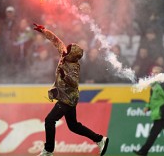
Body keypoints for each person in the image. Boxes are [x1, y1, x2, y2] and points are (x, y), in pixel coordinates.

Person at [33, 23, 109, 156]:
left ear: (73, 55)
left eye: (69, 49)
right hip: (66, 97)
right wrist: (44, 31)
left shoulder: (74, 66)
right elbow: (56, 40)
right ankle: (100, 139)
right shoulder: (64, 54)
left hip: (68, 98)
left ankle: (48, 150)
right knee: (73, 126)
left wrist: (64, 75)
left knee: (49, 120)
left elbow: (74, 82)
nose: (65, 49)